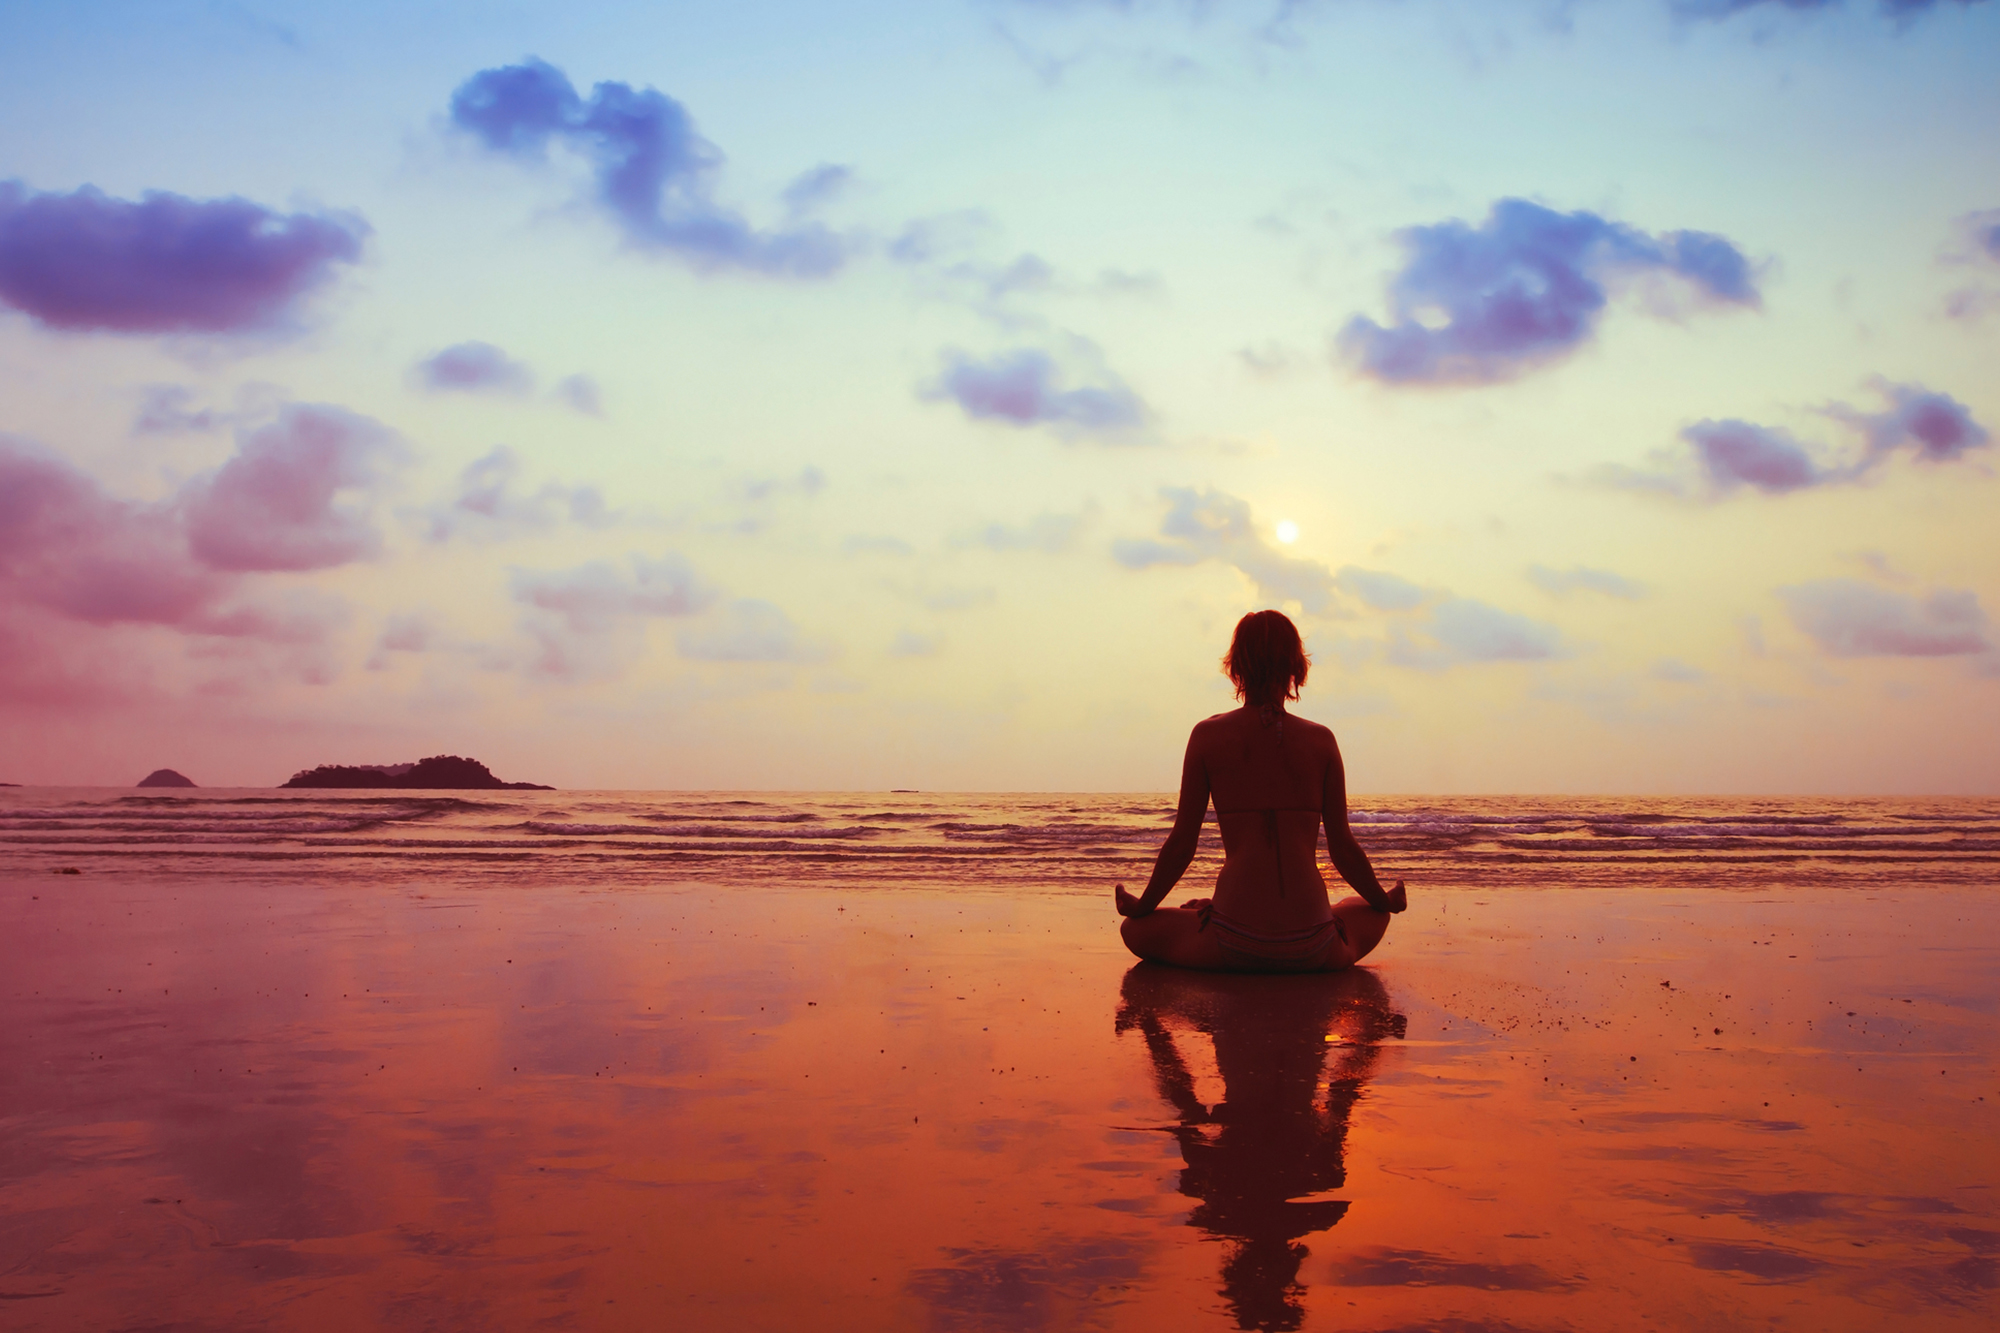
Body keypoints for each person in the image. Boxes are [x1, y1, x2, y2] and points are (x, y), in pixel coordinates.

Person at [1115, 609, 1406, 971]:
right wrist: (1383, 899)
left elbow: (1182, 844)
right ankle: (1317, 918)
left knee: (1133, 930)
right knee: (1365, 910)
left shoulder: (1207, 736)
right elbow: (1342, 849)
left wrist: (1143, 905)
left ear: (1236, 667)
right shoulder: (1322, 741)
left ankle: (1212, 910)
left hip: (1231, 941)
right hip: (1315, 946)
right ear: (1296, 667)